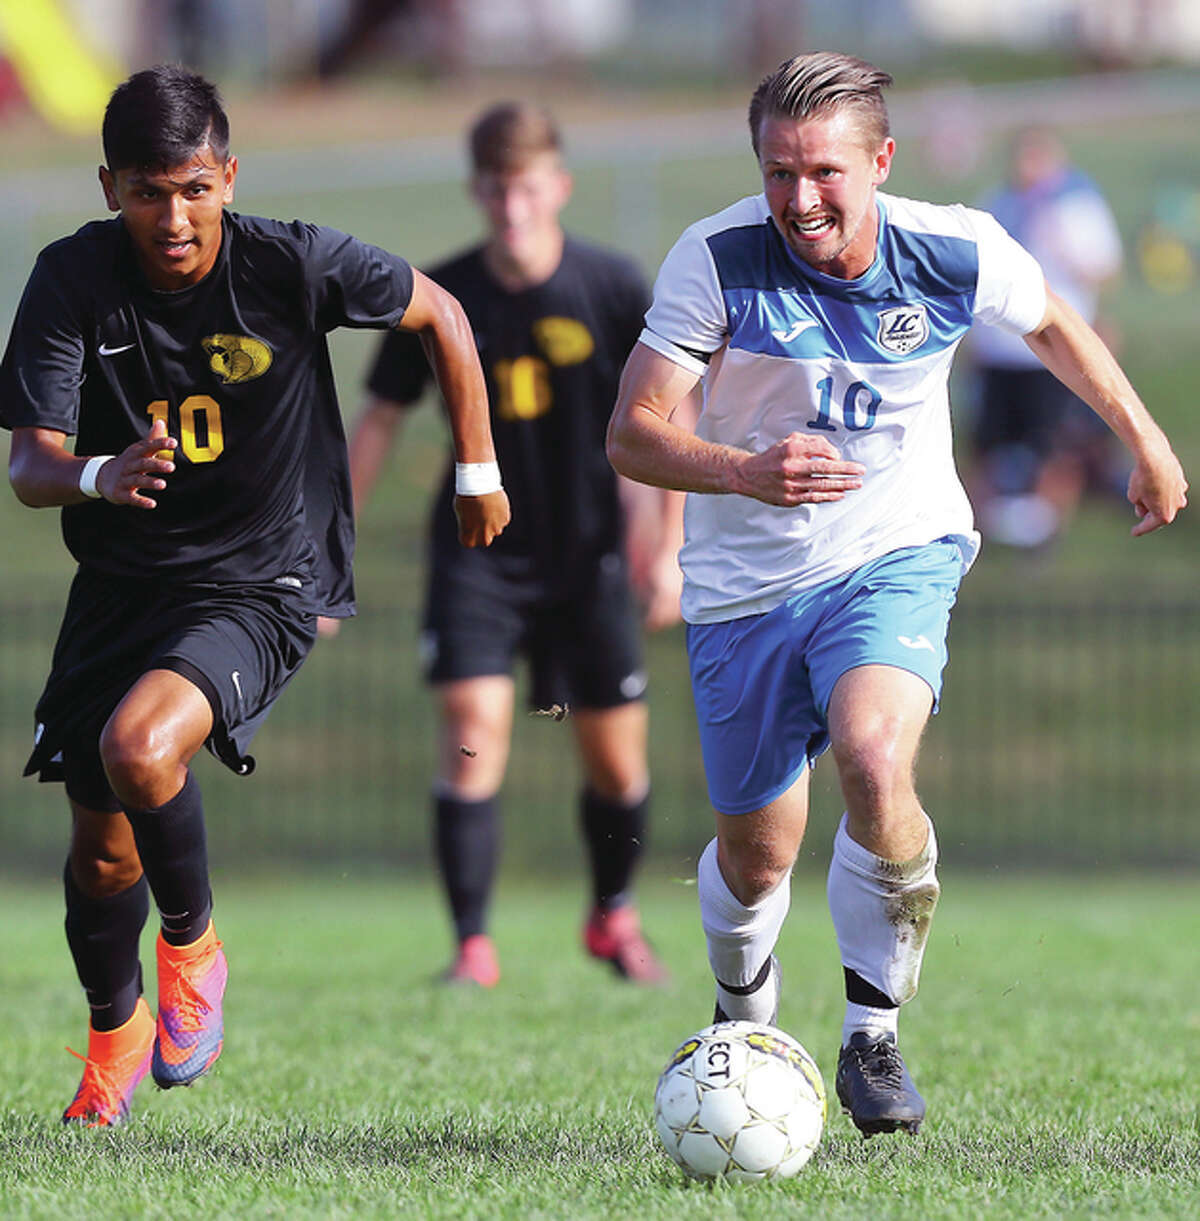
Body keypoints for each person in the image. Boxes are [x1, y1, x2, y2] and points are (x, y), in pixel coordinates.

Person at [607, 52, 1186, 1137]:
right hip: (742, 589)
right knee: (758, 853)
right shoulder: (716, 257)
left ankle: (872, 1033)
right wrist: (743, 469)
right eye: (778, 171)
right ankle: (745, 1014)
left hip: (897, 552)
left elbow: (1055, 323)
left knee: (875, 756)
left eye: (823, 170)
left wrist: (1146, 442)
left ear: (880, 160)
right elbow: (632, 432)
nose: (799, 198)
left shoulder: (954, 246)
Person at [0, 65, 508, 1128]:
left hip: (264, 577)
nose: (172, 215)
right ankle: (113, 1037)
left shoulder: (292, 262)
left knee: (142, 749)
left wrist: (476, 471)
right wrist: (102, 471)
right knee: (99, 856)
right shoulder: (70, 280)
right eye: (146, 191)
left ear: (228, 176)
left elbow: (445, 315)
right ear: (109, 188)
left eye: (192, 187)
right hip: (123, 587)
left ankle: (193, 950)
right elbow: (31, 465)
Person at [341, 101, 686, 989]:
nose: (513, 205)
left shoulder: (611, 288)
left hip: (589, 554)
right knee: (472, 728)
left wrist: (668, 540)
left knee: (615, 760)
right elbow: (377, 421)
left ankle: (613, 916)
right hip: (476, 553)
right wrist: (325, 547)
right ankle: (472, 945)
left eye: (528, 186)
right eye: (497, 188)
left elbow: (664, 416)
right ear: (477, 191)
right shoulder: (441, 295)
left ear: (558, 187)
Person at [968, 125, 1128, 548]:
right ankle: (979, 534)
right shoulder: (996, 206)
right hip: (999, 349)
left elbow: (1103, 270)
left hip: (1050, 348)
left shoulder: (1076, 208)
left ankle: (1046, 536)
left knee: (1057, 444)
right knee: (989, 443)